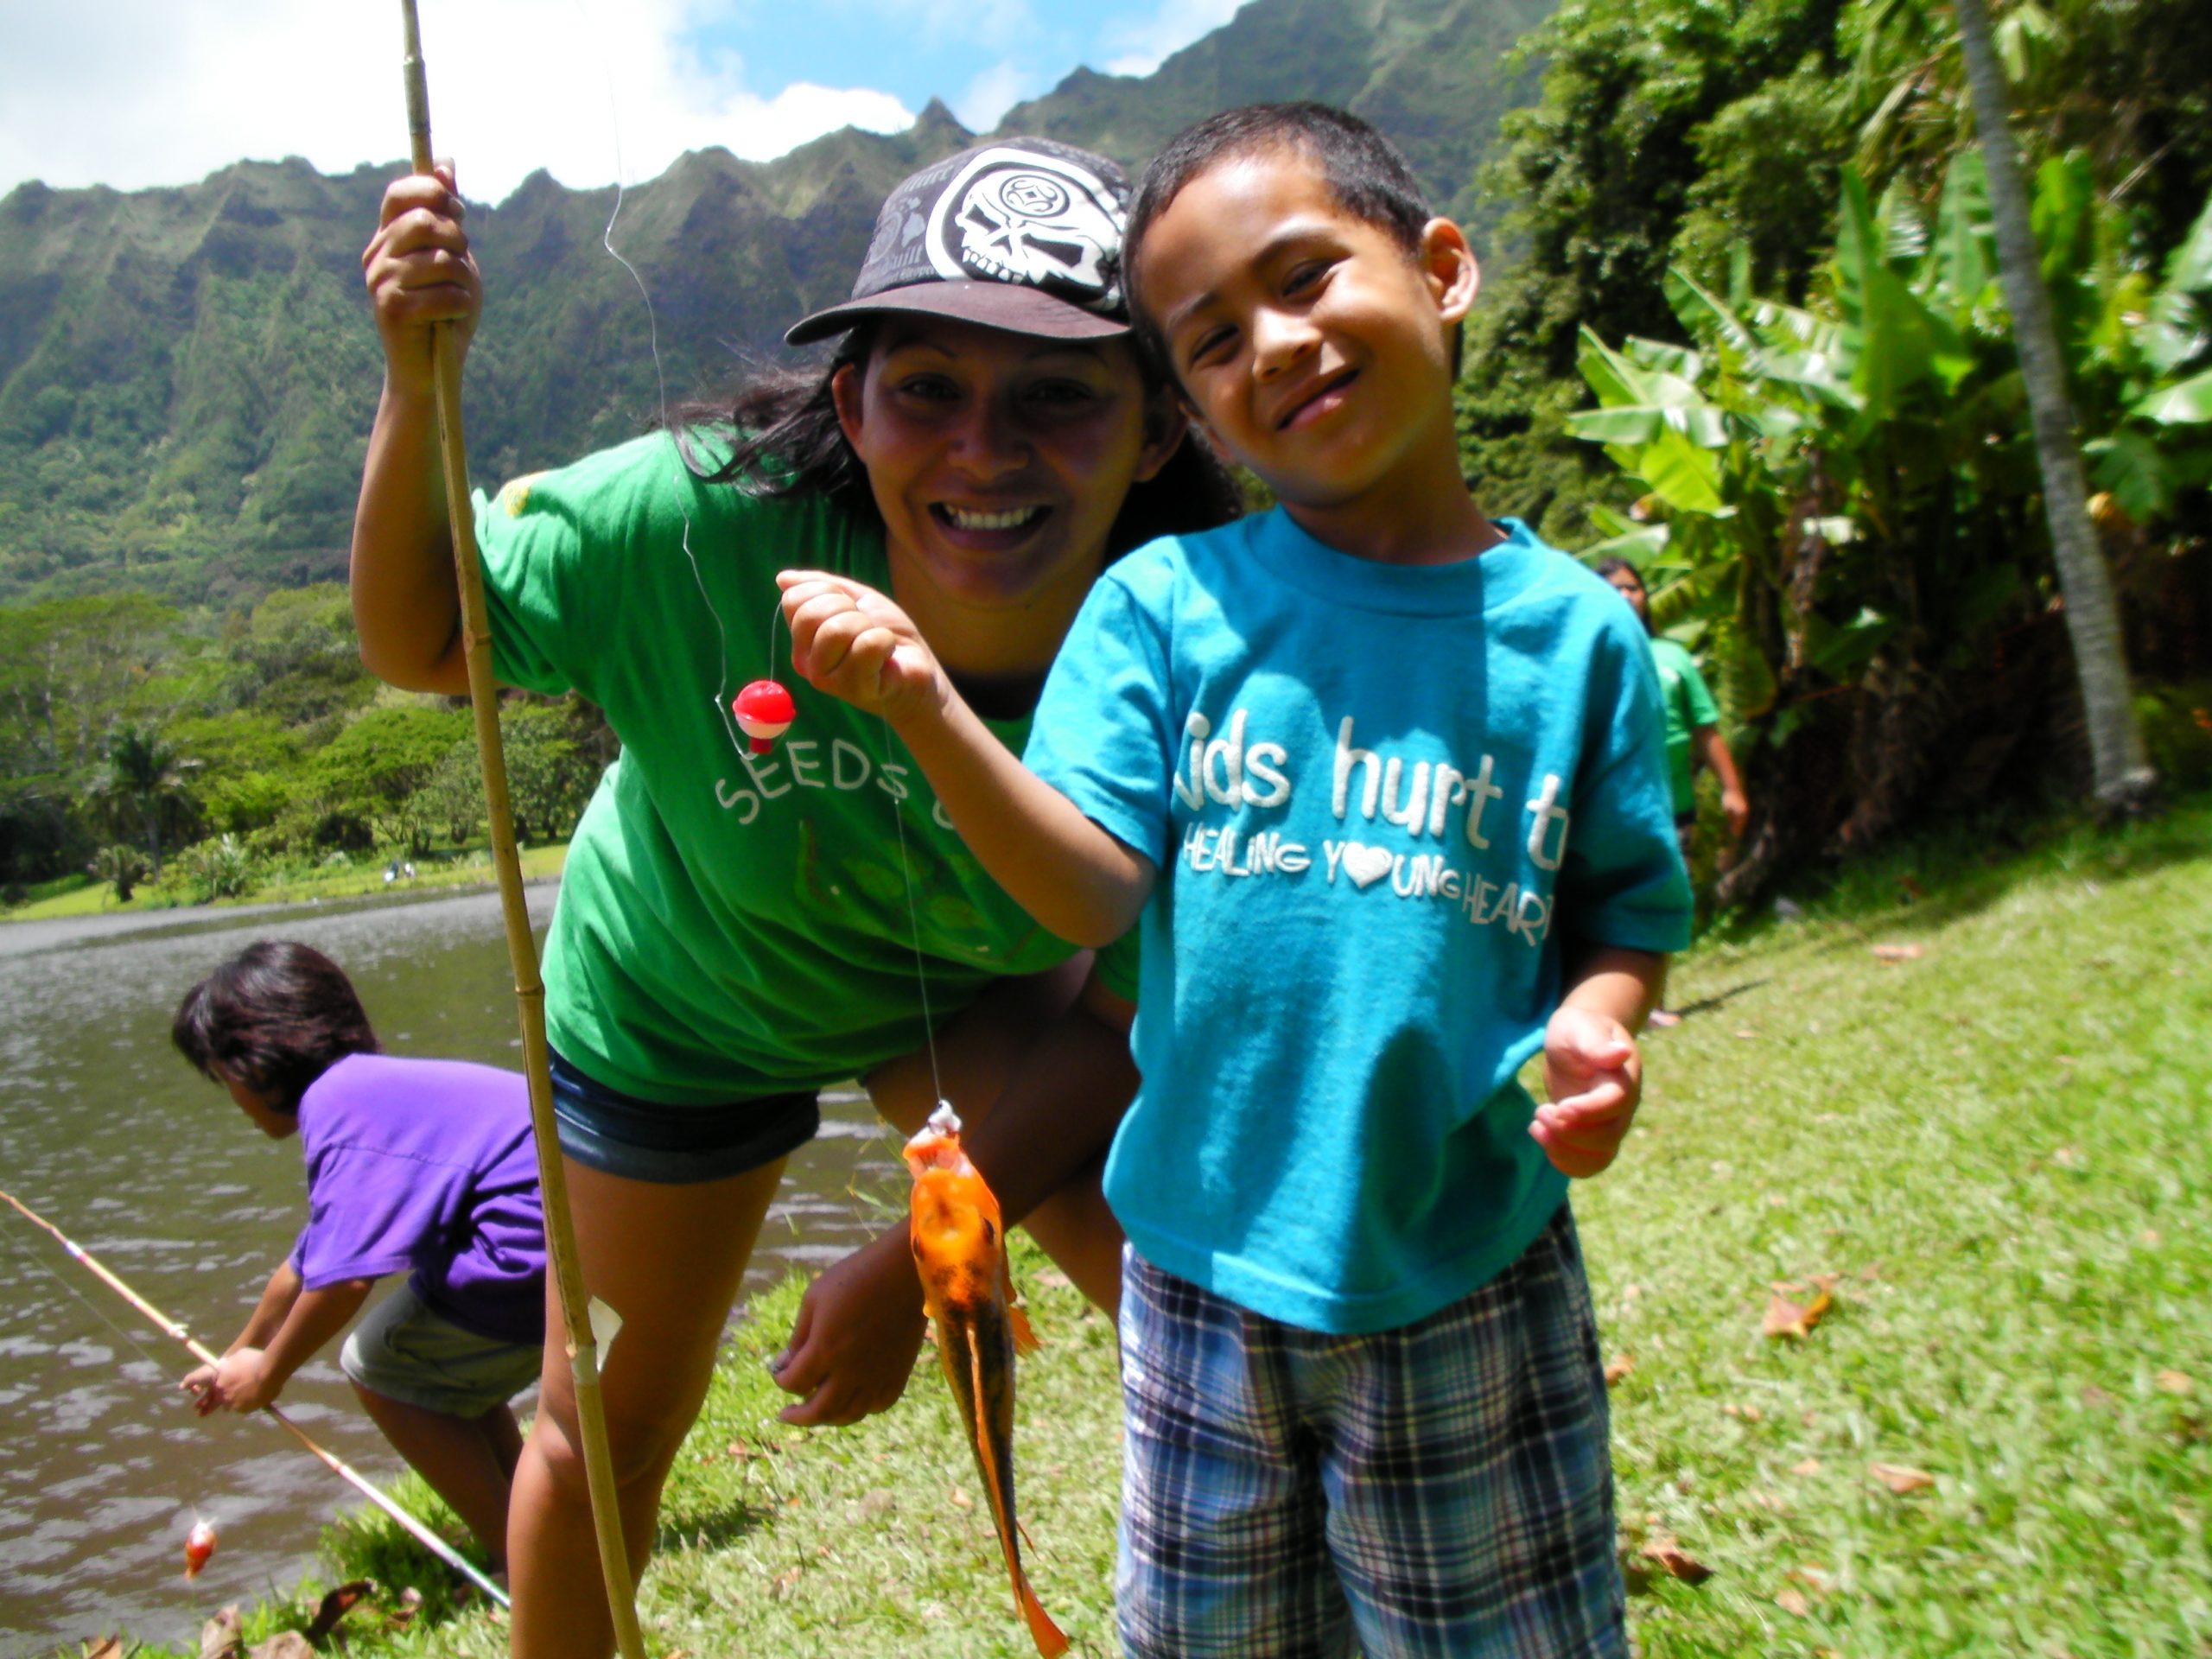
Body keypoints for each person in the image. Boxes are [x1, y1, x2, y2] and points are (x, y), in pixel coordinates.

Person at [780, 104, 1693, 1657]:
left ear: (1445, 271)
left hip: (1464, 1254)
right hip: (1196, 1280)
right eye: (1210, 339)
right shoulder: (1166, 607)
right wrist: (930, 709)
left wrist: (1601, 1027)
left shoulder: (1576, 638)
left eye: (1306, 277)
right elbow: (1086, 894)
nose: (1272, 343)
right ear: (1197, 407)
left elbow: (1621, 910)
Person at [353, 136, 1236, 1655]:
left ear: (1156, 424)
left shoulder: (1222, 633)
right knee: (611, 1417)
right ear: (850, 403)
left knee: (1207, 1311)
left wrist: (920, 1264)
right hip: (675, 1004)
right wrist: (416, 378)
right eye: (929, 391)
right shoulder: (691, 526)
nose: (984, 450)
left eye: (1059, 395)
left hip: (976, 989)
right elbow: (428, 643)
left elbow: (1129, 1017)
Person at [172, 941, 544, 1580]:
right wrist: (239, 1352)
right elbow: (304, 1264)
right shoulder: (367, 1090)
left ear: (255, 1060)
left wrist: (270, 1375)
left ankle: (525, 1568)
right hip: (588, 1244)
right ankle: (537, 1526)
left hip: (535, 1257)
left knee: (379, 1364)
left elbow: (344, 1284)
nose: (229, 1097)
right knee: (437, 1370)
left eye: (221, 1075)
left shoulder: (338, 1104)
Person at [1595, 558, 1747, 1023]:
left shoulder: (1673, 657)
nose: (1626, 597)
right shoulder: (1591, 656)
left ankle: (1652, 1002)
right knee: (1620, 902)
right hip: (1615, 808)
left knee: (1667, 897)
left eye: (1634, 588)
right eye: (1614, 589)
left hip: (1674, 804)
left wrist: (1732, 789)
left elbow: (1705, 726)